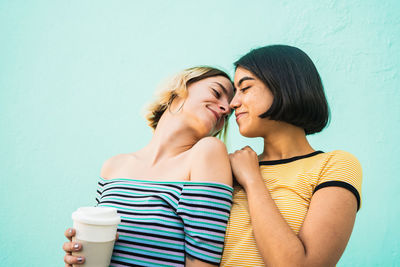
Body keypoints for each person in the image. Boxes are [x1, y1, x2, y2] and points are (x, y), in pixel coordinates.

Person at [63, 66, 235, 267]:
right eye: (216, 93)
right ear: (179, 88)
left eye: (230, 110)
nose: (226, 108)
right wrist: (78, 259)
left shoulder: (207, 153)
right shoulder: (113, 166)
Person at [220, 45, 362, 266]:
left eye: (245, 88)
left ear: (283, 86)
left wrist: (252, 180)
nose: (233, 103)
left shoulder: (334, 164)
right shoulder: (229, 169)